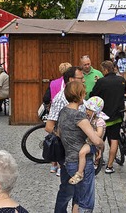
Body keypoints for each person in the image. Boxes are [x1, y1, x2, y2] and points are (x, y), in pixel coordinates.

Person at [57, 81, 105, 213]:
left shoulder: (63, 111)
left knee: (78, 198)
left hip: (68, 160)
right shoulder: (79, 115)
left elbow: (59, 133)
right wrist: (101, 146)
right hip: (81, 162)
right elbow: (96, 140)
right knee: (86, 202)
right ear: (81, 95)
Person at [45, 66, 87, 212]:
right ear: (71, 80)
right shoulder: (61, 98)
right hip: (67, 150)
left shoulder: (78, 95)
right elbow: (49, 126)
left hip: (79, 150)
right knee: (68, 188)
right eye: (81, 78)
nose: (84, 80)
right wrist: (68, 137)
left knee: (78, 188)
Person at [90, 60, 126, 175]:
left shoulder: (101, 81)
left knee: (100, 140)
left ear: (105, 70)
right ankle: (110, 166)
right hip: (117, 115)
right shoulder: (121, 80)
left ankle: (97, 162)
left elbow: (93, 96)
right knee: (114, 139)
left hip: (103, 117)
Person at [69, 96, 108, 185]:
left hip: (93, 143)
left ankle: (79, 173)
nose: (87, 111)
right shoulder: (89, 118)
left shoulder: (99, 121)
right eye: (86, 109)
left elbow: (99, 134)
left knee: (82, 153)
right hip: (88, 140)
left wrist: (88, 130)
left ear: (95, 111)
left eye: (89, 110)